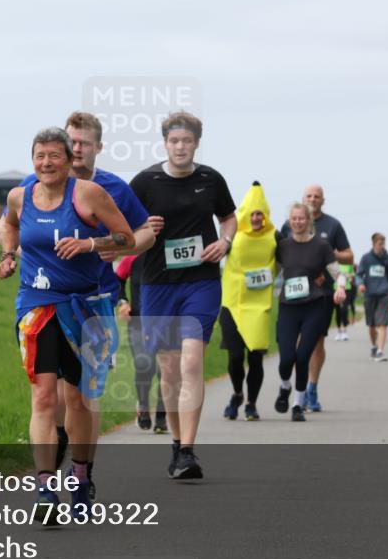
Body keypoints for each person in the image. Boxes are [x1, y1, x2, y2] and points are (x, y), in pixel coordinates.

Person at [0, 112, 156, 500]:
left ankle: (82, 477)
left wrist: (90, 245)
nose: (46, 163)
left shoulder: (90, 193)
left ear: (69, 160)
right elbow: (8, 224)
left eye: (55, 155)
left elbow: (128, 238)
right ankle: (45, 488)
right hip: (37, 303)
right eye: (39, 156)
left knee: (79, 400)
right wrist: (8, 254)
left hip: (86, 306)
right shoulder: (20, 194)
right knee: (43, 395)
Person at [129, 111, 237, 479]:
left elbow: (229, 217)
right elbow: (122, 223)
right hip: (158, 285)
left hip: (201, 282)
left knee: (192, 362)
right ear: (165, 143)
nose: (180, 147)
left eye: (187, 141)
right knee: (170, 370)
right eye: (174, 141)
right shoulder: (145, 181)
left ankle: (189, 451)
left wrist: (225, 242)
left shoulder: (211, 179)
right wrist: (142, 226)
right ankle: (176, 445)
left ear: (196, 143)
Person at [279, 185, 352, 412]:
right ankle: (287, 385)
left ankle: (309, 390)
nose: (312, 199)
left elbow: (346, 261)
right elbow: (275, 262)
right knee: (290, 351)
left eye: (316, 196)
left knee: (312, 345)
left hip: (320, 296)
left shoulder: (330, 229)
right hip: (290, 301)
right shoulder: (284, 237)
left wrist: (327, 257)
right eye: (308, 196)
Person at [219, 182, 276, 422]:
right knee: (234, 357)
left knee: (255, 357)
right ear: (245, 214)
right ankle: (237, 393)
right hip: (232, 302)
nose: (255, 218)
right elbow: (215, 254)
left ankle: (251, 403)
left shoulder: (274, 237)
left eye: (259, 214)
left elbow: (292, 257)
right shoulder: (234, 236)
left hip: (259, 305)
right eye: (252, 213)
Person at [116, 253, 167, 433]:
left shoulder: (167, 253)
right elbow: (117, 280)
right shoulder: (132, 258)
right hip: (137, 322)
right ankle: (143, 407)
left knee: (165, 370)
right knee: (144, 363)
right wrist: (123, 303)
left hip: (165, 321)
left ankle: (161, 415)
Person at [356, 232, 388, 362]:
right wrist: (360, 284)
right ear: (374, 243)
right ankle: (374, 346)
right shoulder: (366, 258)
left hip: (384, 294)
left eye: (383, 243)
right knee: (372, 325)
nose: (382, 246)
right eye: (380, 244)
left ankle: (380, 351)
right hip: (369, 294)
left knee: (383, 324)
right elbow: (358, 274)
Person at [333, 263, 356, 341]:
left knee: (344, 309)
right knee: (338, 310)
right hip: (336, 288)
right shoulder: (335, 264)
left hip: (347, 288)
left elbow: (352, 275)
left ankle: (345, 331)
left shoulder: (348, 264)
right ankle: (339, 331)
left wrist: (346, 276)